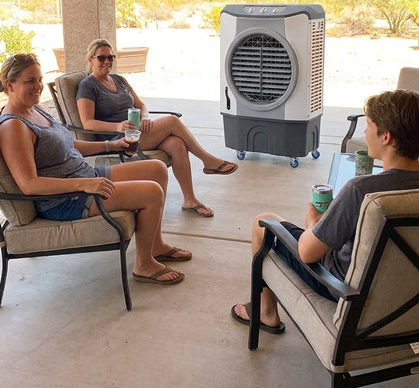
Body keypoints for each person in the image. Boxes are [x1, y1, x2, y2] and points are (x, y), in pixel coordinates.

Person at [231, 89, 419, 333]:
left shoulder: (361, 191)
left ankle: (266, 312)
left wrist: (313, 222)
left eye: (369, 125)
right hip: (408, 293)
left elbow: (307, 253)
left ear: (386, 137)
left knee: (264, 221)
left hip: (345, 288)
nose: (365, 132)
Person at [0, 53, 194, 286]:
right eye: (30, 81)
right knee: (151, 192)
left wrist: (110, 145)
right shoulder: (13, 127)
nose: (38, 86)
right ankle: (143, 264)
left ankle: (156, 245)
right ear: (10, 85)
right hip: (65, 199)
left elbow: (67, 144)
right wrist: (84, 184)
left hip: (84, 177)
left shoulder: (34, 110)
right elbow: (29, 184)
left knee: (157, 169)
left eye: (40, 79)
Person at [75, 38, 238, 218]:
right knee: (172, 121)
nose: (107, 61)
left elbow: (141, 105)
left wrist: (145, 117)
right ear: (91, 60)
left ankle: (190, 199)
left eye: (111, 57)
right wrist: (118, 126)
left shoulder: (119, 80)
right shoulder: (88, 86)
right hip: (119, 139)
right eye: (101, 58)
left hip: (138, 131)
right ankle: (208, 161)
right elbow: (87, 123)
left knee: (177, 144)